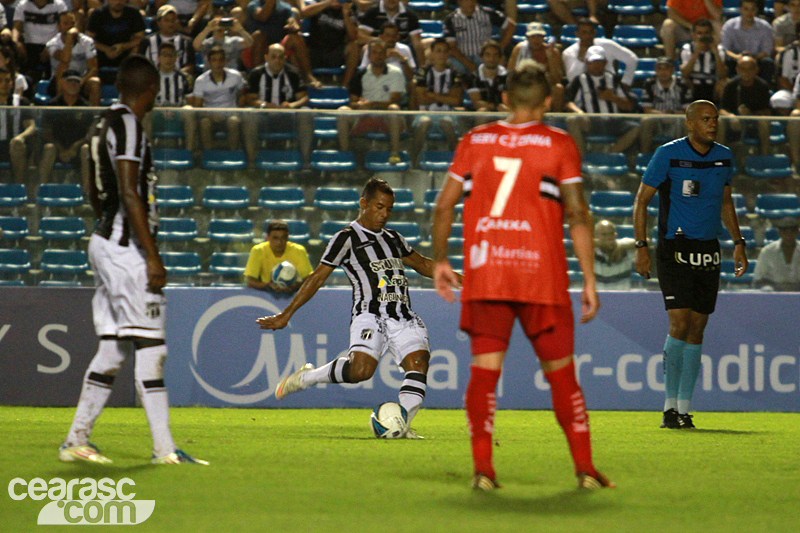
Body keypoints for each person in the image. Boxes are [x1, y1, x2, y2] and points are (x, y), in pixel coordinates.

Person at [431, 61, 613, 491]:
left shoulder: (474, 140)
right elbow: (577, 213)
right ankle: (585, 470)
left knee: (484, 373)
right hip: (540, 276)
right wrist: (589, 279)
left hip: (487, 271)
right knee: (562, 375)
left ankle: (483, 471)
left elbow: (443, 207)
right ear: (549, 101)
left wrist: (440, 261)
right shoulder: (559, 144)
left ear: (506, 99)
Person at [59, 55, 207, 466]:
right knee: (151, 346)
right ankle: (164, 451)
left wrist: (106, 225)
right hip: (125, 250)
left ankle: (76, 441)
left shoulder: (100, 124)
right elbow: (128, 190)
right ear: (151, 90)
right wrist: (152, 255)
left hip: (105, 239)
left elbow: (90, 182)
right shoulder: (128, 125)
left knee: (112, 350)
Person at [257, 178, 446, 439]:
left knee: (419, 363)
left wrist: (464, 280)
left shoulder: (393, 238)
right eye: (379, 207)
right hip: (369, 313)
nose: (384, 214)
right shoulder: (346, 238)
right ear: (363, 204)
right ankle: (309, 378)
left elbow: (423, 265)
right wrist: (286, 314)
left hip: (402, 315)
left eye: (389, 209)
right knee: (360, 371)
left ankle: (401, 424)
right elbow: (317, 277)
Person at [632, 100, 748, 431]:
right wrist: (642, 248)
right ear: (689, 124)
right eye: (706, 119)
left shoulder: (724, 156)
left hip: (709, 249)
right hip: (674, 247)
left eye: (715, 119)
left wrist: (738, 243)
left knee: (698, 327)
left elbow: (726, 202)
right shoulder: (668, 154)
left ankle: (684, 408)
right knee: (679, 322)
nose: (712, 124)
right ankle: (669, 407)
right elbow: (642, 200)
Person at [337, 38, 406, 164]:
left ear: (386, 55)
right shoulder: (360, 74)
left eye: (381, 53)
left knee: (394, 109)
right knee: (342, 111)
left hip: (387, 115)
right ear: (369, 56)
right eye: (374, 52)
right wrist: (359, 105)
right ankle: (345, 155)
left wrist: (372, 104)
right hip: (365, 114)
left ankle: (395, 153)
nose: (378, 56)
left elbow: (395, 100)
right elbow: (352, 102)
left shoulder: (396, 73)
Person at [565, 45, 640, 156]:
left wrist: (613, 98)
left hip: (613, 121)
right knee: (571, 120)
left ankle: (609, 155)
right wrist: (580, 113)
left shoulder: (613, 79)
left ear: (605, 62)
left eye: (599, 62)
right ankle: (582, 159)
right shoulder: (579, 80)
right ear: (586, 62)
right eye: (593, 62)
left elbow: (629, 106)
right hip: (590, 122)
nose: (596, 65)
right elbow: (567, 102)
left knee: (636, 128)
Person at [189, 46, 246, 153]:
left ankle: (233, 154)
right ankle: (208, 155)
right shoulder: (201, 81)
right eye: (214, 60)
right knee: (204, 123)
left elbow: (242, 95)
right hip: (210, 116)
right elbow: (197, 106)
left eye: (221, 59)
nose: (218, 63)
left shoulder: (236, 76)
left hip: (230, 114)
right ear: (209, 62)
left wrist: (238, 110)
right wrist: (210, 115)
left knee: (234, 122)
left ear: (225, 61)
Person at [39, 70, 92, 183]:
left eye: (76, 82)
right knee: (49, 149)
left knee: (86, 150)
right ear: (62, 83)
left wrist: (75, 147)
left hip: (77, 149)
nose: (73, 84)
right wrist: (61, 149)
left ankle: (87, 193)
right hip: (57, 148)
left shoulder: (86, 107)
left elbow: (90, 133)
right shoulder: (52, 105)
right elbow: (46, 132)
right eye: (69, 81)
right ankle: (41, 190)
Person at [718, 55, 771, 156]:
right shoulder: (731, 85)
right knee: (719, 122)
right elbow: (722, 109)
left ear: (756, 70)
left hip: (754, 124)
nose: (746, 72)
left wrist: (750, 114)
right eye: (743, 69)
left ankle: (765, 157)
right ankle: (719, 158)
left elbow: (767, 111)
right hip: (734, 123)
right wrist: (731, 117)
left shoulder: (762, 86)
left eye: (750, 69)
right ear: (737, 70)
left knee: (764, 122)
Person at [562, 18, 638, 89]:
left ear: (595, 33)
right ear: (577, 34)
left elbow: (632, 58)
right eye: (584, 32)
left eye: (591, 32)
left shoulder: (608, 45)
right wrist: (581, 58)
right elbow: (572, 79)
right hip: (582, 92)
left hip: (609, 89)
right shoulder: (568, 53)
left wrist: (626, 82)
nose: (588, 36)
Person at [442, 0, 515, 74]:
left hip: (485, 56)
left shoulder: (487, 13)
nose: (470, 3)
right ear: (459, 2)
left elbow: (511, 25)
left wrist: (500, 48)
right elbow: (451, 47)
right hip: (462, 57)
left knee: (497, 61)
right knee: (453, 65)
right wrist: (468, 64)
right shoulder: (451, 19)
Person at [45, 11, 100, 105]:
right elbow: (64, 60)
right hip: (59, 81)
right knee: (62, 70)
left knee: (95, 82)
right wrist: (70, 38)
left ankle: (94, 116)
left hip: (81, 79)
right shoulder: (53, 43)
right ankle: (61, 111)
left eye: (73, 23)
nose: (71, 26)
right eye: (66, 23)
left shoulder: (87, 42)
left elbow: (93, 69)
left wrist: (81, 81)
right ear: (59, 27)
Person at [640, 56, 692, 153]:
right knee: (646, 121)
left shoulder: (682, 84)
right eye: (660, 68)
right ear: (655, 70)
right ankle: (645, 155)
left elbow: (687, 110)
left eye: (666, 68)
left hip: (677, 119)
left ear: (672, 69)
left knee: (687, 123)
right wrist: (662, 115)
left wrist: (672, 115)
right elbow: (646, 109)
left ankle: (685, 155)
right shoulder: (649, 83)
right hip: (657, 119)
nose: (663, 72)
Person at [508, 22, 564, 111]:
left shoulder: (553, 52)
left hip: (545, 85)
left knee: (558, 88)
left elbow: (556, 79)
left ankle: (556, 118)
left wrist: (550, 58)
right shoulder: (519, 49)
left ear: (543, 38)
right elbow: (510, 73)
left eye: (539, 36)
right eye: (533, 37)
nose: (536, 40)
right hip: (524, 84)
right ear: (527, 38)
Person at [245, 219, 312, 292]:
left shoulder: (298, 250)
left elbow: (310, 280)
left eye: (283, 238)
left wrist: (296, 286)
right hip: (267, 296)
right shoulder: (258, 250)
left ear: (287, 238)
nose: (279, 242)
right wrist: (267, 285)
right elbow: (250, 281)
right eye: (275, 238)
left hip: (295, 296)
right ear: (268, 237)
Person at [720, 0, 775, 82]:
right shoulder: (729, 26)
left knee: (767, 62)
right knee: (725, 61)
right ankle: (729, 88)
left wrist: (753, 58)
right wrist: (738, 57)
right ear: (740, 9)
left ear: (756, 10)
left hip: (757, 60)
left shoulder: (765, 27)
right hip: (735, 59)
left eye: (752, 9)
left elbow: (766, 51)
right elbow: (725, 49)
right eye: (746, 9)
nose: (749, 12)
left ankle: (764, 89)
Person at [140, 5, 196, 80]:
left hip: (179, 82)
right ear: (159, 23)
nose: (170, 24)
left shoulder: (186, 41)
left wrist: (173, 75)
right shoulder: (147, 41)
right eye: (166, 20)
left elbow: (191, 66)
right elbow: (140, 64)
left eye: (173, 20)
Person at [0, 66, 34, 187]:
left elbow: (31, 126)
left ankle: (18, 189)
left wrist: (21, 137)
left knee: (17, 146)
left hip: (14, 142)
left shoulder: (21, 102)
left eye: (7, 81)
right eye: (0, 80)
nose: (4, 84)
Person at [679, 18, 728, 104]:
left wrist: (715, 53)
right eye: (699, 33)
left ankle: (723, 108)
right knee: (683, 81)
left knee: (724, 82)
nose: (703, 36)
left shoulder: (719, 50)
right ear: (693, 35)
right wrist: (696, 53)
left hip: (712, 86)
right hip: (694, 85)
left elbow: (722, 75)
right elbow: (685, 73)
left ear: (711, 34)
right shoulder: (687, 49)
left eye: (706, 33)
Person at [753, 217, 800, 291]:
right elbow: (759, 278)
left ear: (797, 232)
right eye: (785, 232)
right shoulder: (767, 251)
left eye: (792, 232)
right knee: (766, 289)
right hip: (774, 293)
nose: (788, 236)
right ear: (779, 233)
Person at [466, 40, 508, 113]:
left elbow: (509, 101)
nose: (491, 59)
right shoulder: (474, 77)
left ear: (500, 57)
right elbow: (477, 103)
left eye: (495, 55)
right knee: (482, 111)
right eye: (488, 55)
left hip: (503, 111)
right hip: (485, 112)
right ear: (482, 57)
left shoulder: (508, 77)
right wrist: (495, 106)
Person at [594, 220, 636, 289]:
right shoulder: (591, 250)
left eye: (611, 234)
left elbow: (646, 243)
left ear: (615, 234)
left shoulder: (626, 245)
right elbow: (581, 243)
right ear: (596, 236)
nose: (608, 237)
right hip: (598, 297)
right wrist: (602, 244)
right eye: (604, 234)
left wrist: (622, 246)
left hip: (624, 297)